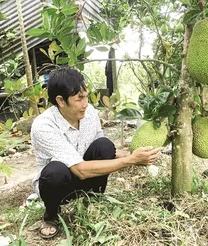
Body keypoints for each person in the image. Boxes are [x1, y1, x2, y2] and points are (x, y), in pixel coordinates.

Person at [30, 67, 161, 239]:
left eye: (86, 96)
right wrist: (131, 160)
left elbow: (105, 150)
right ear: (61, 101)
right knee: (55, 171)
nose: (86, 103)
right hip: (58, 186)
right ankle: (51, 216)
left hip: (84, 174)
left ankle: (93, 199)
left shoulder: (89, 113)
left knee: (105, 145)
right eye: (79, 99)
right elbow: (81, 170)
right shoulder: (44, 126)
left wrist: (136, 154)